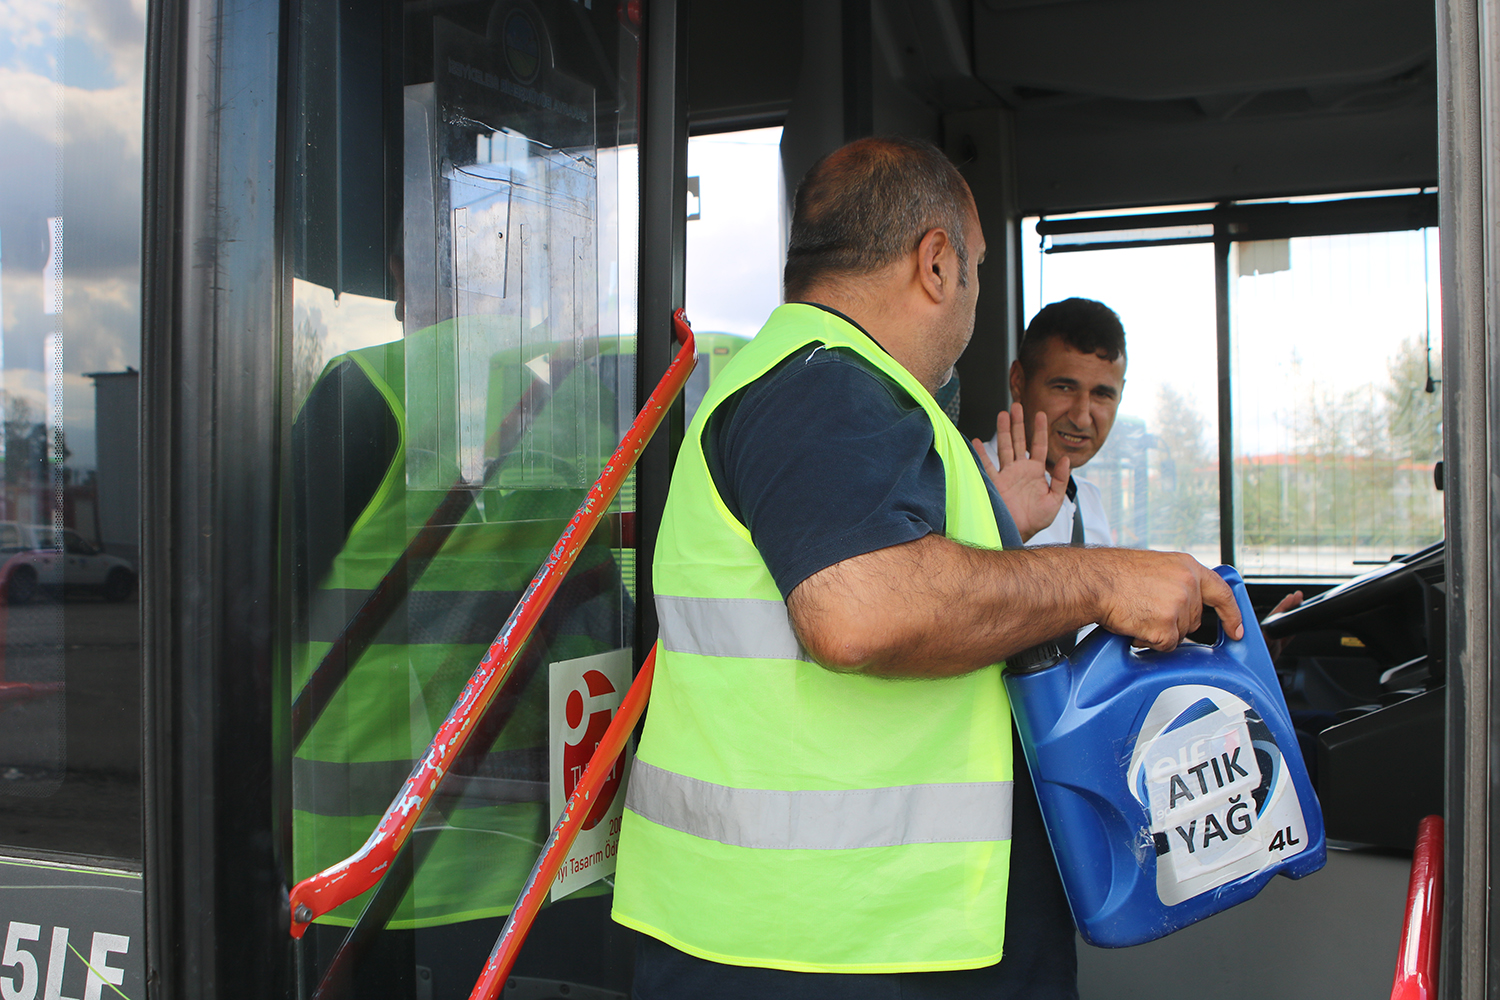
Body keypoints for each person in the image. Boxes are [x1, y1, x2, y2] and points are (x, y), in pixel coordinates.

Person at [610, 136, 1243, 999]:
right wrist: (1102, 580)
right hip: (812, 944)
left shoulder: (834, 389)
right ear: (937, 264)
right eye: (978, 271)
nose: (973, 302)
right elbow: (859, 610)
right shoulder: (823, 385)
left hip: (847, 929)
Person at [980, 298, 1126, 546]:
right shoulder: (956, 482)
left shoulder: (1088, 499)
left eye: (1102, 394)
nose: (1081, 418)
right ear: (1018, 381)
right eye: (1064, 388)